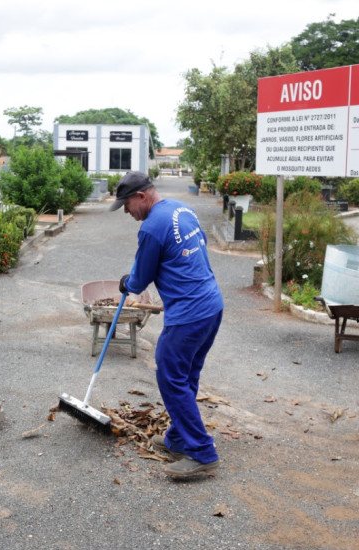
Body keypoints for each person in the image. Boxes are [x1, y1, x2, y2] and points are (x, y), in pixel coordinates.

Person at [110, 171, 225, 479]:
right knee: (186, 376)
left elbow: (139, 279)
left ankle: (202, 452)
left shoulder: (151, 227)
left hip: (188, 314)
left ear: (141, 197)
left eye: (126, 204)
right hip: (211, 305)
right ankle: (178, 438)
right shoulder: (181, 208)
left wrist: (127, 283)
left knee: (171, 378)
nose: (126, 212)